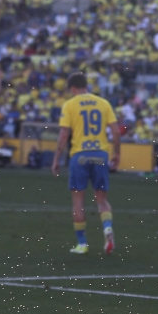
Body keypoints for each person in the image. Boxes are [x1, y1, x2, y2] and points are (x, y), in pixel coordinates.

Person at [52, 71, 121, 255]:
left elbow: (64, 135)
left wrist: (56, 159)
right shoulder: (104, 103)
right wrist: (117, 154)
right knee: (102, 200)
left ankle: (82, 244)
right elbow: (115, 132)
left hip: (80, 155)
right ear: (86, 86)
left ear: (73, 88)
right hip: (100, 154)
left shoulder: (69, 105)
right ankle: (107, 228)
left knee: (78, 201)